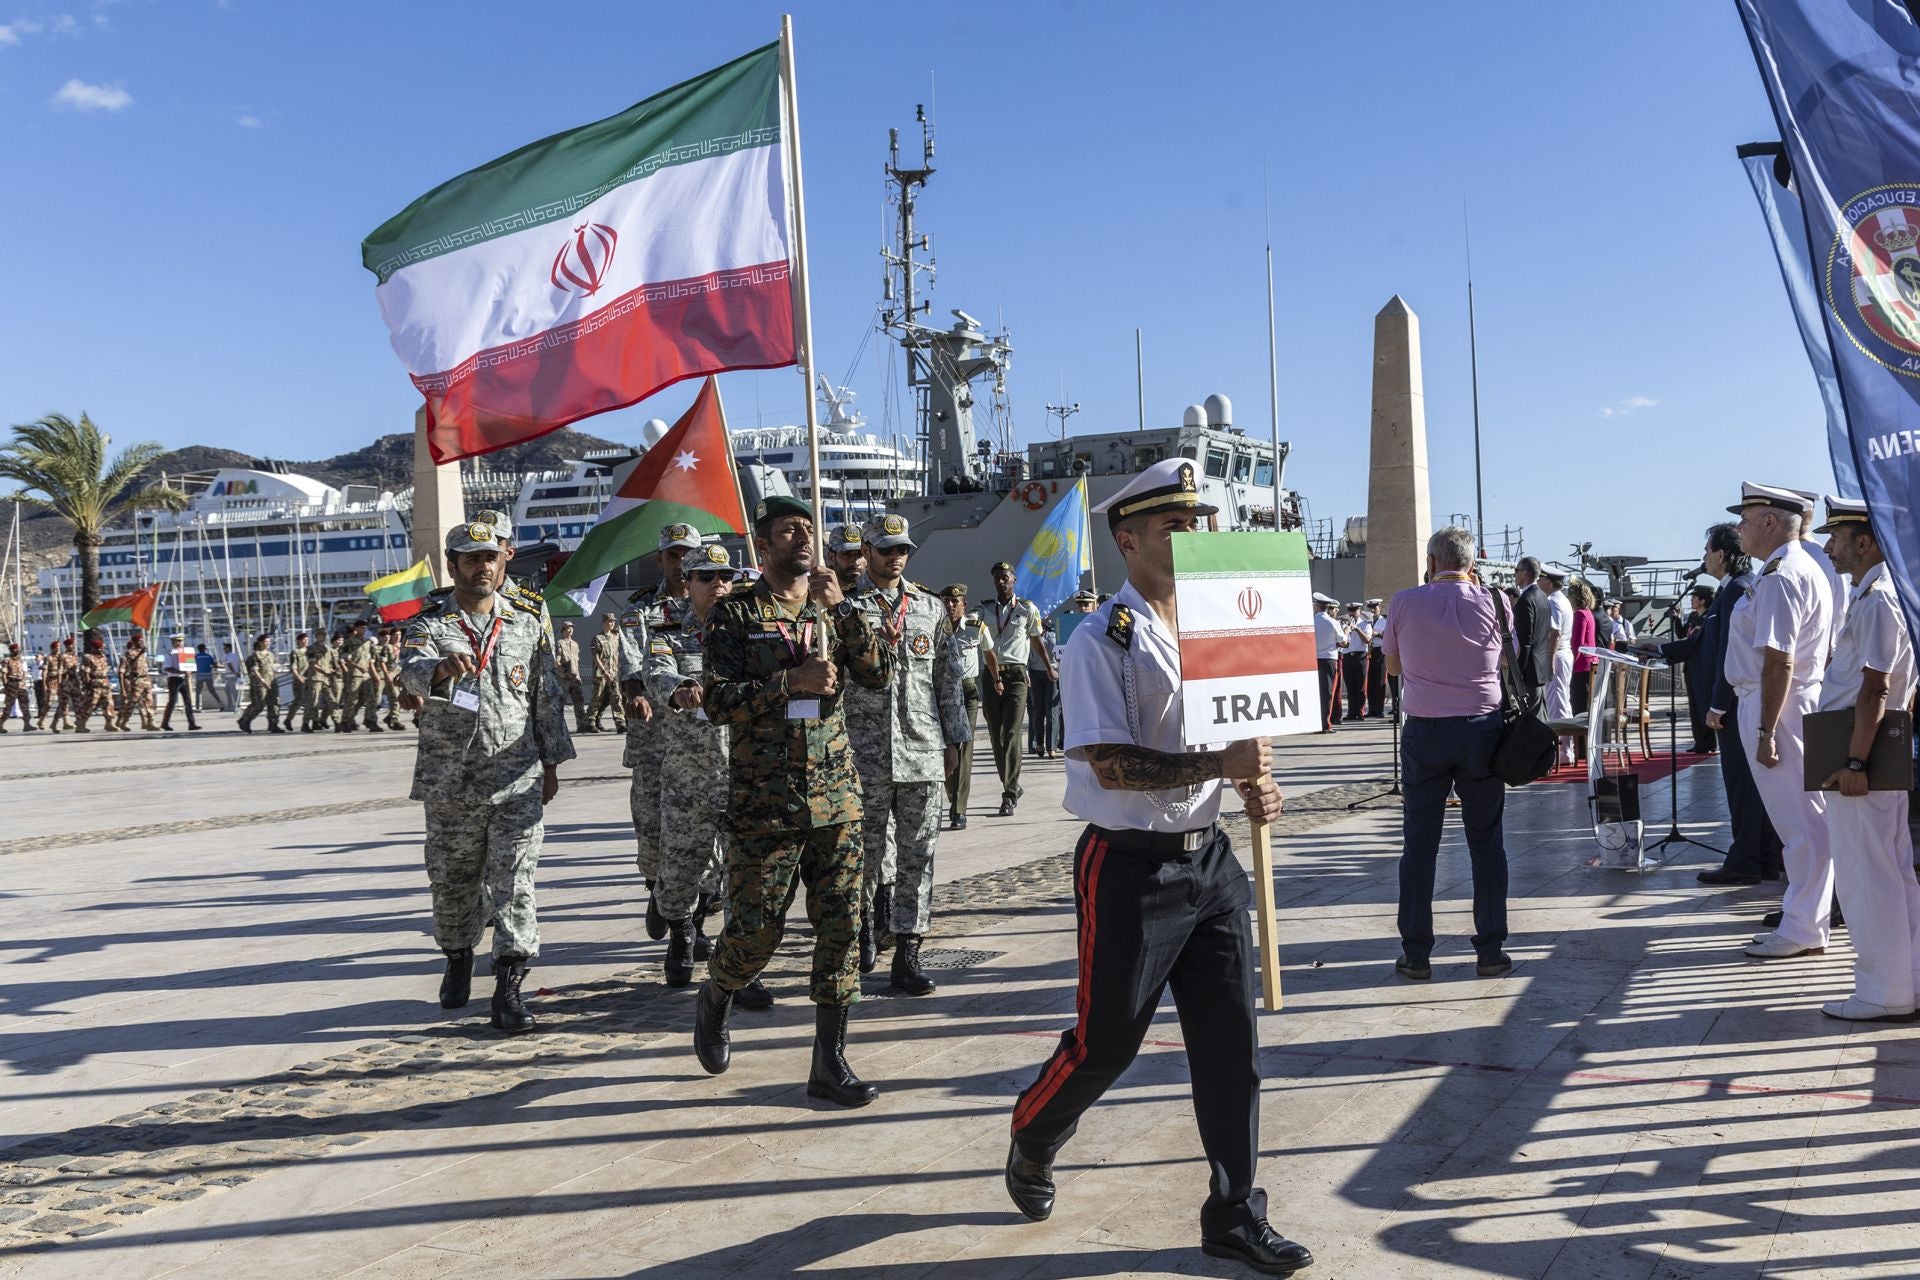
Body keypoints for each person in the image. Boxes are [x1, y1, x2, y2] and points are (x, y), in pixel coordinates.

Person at [1005, 458, 1307, 1275]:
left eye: (1198, 522)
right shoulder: (1099, 638)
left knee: (1231, 1047)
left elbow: (1244, 728)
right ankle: (1035, 1130)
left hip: (1210, 864)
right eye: (1176, 525)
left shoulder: (1220, 626)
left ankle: (1234, 1213)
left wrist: (1255, 779)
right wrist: (1220, 763)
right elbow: (1109, 765)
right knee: (1106, 1046)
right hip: (1129, 869)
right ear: (1128, 540)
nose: (1195, 535)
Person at [691, 495, 891, 1107]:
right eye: (788, 531)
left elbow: (878, 674)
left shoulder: (836, 604)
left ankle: (829, 1063)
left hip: (837, 797)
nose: (803, 538)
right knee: (756, 932)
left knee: (843, 928)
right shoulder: (735, 614)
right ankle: (717, 993)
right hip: (765, 801)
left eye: (809, 529)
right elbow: (716, 701)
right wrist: (788, 682)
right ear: (763, 543)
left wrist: (844, 609)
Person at [397, 510, 575, 1034]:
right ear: (453, 566)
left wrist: (551, 763)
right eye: (471, 559)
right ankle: (457, 956)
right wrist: (438, 670)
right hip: (451, 781)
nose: (483, 568)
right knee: (453, 883)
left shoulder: (526, 622)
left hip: (516, 777)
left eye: (490, 559)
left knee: (515, 881)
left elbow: (545, 697)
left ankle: (509, 987)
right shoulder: (430, 624)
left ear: (502, 563)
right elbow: (410, 671)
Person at [1381, 526, 1514, 983]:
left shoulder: (1403, 601)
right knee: (1487, 841)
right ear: (1472, 564)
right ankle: (1490, 949)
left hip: (1426, 730)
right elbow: (1505, 660)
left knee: (1419, 845)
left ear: (1431, 561)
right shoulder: (1497, 601)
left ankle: (1416, 952)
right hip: (1482, 729)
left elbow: (1393, 666)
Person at [844, 515, 967, 994]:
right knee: (863, 857)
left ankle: (908, 953)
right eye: (886, 549)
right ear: (867, 551)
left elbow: (947, 679)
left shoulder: (929, 607)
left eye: (903, 549)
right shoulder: (844, 607)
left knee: (919, 856)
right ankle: (859, 935)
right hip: (863, 753)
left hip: (922, 749)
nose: (896, 557)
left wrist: (954, 741)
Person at [1808, 497, 1920, 1020]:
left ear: (1866, 542)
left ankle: (1882, 991)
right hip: (1872, 745)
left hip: (1860, 752)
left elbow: (1876, 688)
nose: (1829, 547)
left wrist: (1855, 764)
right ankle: (1906, 980)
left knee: (1865, 875)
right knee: (1891, 872)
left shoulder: (1878, 600)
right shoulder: (1880, 593)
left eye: (1837, 538)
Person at [1718, 483, 1835, 960]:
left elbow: (1779, 660)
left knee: (1800, 824)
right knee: (1805, 820)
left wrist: (1766, 731)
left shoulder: (1782, 576)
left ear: (1770, 521)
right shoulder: (1794, 568)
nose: (1739, 529)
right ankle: (1803, 918)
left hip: (1778, 705)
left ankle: (1804, 927)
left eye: (1745, 520)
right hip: (1787, 700)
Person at [642, 543, 738, 987]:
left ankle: (740, 963)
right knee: (680, 872)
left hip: (742, 772)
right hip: (689, 775)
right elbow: (657, 671)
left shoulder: (748, 627)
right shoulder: (668, 628)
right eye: (707, 577)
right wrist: (680, 686)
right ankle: (681, 931)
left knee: (741, 874)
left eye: (726, 577)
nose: (718, 584)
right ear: (689, 581)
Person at [1665, 523, 1782, 884]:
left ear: (1720, 554)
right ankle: (1764, 858)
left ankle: (1746, 860)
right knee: (1749, 784)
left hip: (1734, 703)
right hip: (1735, 700)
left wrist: (1718, 704)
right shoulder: (1729, 590)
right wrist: (1657, 650)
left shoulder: (1738, 590)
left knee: (1742, 785)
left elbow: (1729, 653)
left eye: (1706, 551)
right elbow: (1706, 643)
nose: (1704, 558)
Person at [619, 522, 696, 940]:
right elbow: (632, 660)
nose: (681, 563)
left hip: (702, 742)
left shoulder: (718, 603)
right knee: (651, 830)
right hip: (654, 739)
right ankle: (656, 887)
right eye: (674, 555)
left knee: (700, 832)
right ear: (660, 559)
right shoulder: (642, 608)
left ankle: (690, 921)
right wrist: (636, 693)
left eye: (688, 554)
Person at [980, 560, 1044, 815]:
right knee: (996, 736)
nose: (1001, 581)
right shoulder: (984, 609)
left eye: (1005, 577)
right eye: (997, 577)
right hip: (991, 674)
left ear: (1014, 580)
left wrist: (1048, 666)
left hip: (1017, 674)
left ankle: (1008, 794)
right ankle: (1012, 785)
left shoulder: (1027, 609)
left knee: (1011, 733)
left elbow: (1035, 639)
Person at [937, 583, 986, 829]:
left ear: (964, 605)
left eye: (955, 601)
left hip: (967, 691)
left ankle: (959, 809)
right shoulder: (935, 627)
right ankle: (951, 795)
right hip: (942, 690)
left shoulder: (975, 628)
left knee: (964, 749)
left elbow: (989, 653)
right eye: (946, 600)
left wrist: (996, 680)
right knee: (946, 747)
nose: (950, 605)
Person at [1540, 565, 1574, 762]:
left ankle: (1563, 752)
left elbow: (1554, 633)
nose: (1538, 583)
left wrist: (1550, 661)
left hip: (1557, 655)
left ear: (1548, 581)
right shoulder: (1563, 600)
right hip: (1563, 654)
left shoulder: (1553, 602)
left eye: (1541, 579)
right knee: (1562, 700)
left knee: (1556, 704)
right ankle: (1566, 750)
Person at [1511, 558, 1554, 707]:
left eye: (1516, 571)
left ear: (1524, 573)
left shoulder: (1526, 600)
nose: (1515, 575)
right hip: (1540, 667)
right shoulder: (1543, 596)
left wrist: (1517, 671)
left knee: (1529, 715)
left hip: (1528, 670)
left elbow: (1524, 641)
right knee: (1539, 712)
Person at [1027, 617, 1060, 758]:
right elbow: (1024, 656)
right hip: (1035, 675)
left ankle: (1051, 746)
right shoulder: (1027, 636)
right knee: (1037, 710)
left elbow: (1061, 653)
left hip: (1052, 674)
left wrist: (1056, 668)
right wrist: (1026, 673)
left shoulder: (1054, 634)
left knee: (1052, 710)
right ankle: (1039, 743)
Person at [237, 632, 284, 734]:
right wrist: (262, 681)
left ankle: (273, 724)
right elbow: (255, 670)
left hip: (271, 681)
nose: (268, 643)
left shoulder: (270, 655)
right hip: (260, 684)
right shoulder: (256, 655)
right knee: (259, 705)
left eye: (269, 641)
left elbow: (271, 668)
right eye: (266, 641)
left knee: (274, 703)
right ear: (260, 643)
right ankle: (245, 720)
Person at [71, 635, 116, 732]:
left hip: (104, 684)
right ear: (94, 648)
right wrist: (86, 684)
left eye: (102, 648)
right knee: (90, 705)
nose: (101, 650)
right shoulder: (88, 658)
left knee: (109, 704)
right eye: (100, 648)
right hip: (94, 685)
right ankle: (81, 724)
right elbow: (85, 672)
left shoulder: (103, 657)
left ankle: (110, 723)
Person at [1312, 591, 1342, 732]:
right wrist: (1347, 631)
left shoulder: (1311, 622)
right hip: (1329, 659)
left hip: (1313, 660)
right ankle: (1325, 724)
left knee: (1316, 692)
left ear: (1317, 606)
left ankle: (1315, 722)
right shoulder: (1333, 622)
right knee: (1328, 693)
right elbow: (1343, 641)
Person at [553, 621, 590, 733]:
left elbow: (576, 661)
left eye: (571, 628)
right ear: (563, 630)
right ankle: (557, 727)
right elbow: (557, 662)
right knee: (560, 703)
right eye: (568, 628)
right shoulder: (560, 643)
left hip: (575, 678)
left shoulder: (575, 644)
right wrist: (564, 672)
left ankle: (582, 726)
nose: (570, 630)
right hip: (564, 679)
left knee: (579, 703)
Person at [1569, 582, 1598, 719]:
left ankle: (1579, 731)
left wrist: (1571, 665)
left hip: (1581, 665)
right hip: (1590, 662)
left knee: (1578, 703)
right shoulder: (1588, 613)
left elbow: (1577, 644)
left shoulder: (1580, 615)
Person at [159, 633, 201, 731]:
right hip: (174, 679)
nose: (179, 643)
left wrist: (190, 671)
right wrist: (181, 672)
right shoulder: (170, 653)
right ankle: (165, 723)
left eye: (181, 641)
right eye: (177, 641)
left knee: (188, 701)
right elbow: (167, 668)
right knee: (172, 702)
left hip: (184, 679)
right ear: (173, 642)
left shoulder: (186, 652)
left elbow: (190, 665)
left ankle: (192, 723)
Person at [1341, 601, 1371, 722]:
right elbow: (1341, 640)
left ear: (1359, 611)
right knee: (1350, 686)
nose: (1352, 613)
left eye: (1355, 611)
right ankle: (1351, 713)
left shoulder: (1365, 624)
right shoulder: (1343, 625)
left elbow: (1367, 640)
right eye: (1350, 611)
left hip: (1360, 656)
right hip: (1347, 656)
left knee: (1360, 686)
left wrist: (1357, 629)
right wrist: (1347, 629)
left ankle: (1359, 712)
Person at [1366, 597, 1389, 717]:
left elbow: (1388, 636)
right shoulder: (1366, 621)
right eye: (1370, 608)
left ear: (1379, 607)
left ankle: (1379, 710)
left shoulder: (1384, 621)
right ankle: (1371, 710)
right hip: (1368, 651)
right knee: (1370, 682)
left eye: (1374, 607)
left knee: (1380, 681)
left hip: (1380, 651)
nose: (1372, 610)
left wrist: (1378, 634)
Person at [0, 643, 31, 731]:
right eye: (15, 649)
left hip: (21, 684)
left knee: (25, 704)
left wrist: (24, 681)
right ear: (11, 650)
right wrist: (6, 686)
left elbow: (24, 672)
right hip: (11, 684)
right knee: (9, 706)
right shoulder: (7, 660)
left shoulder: (21, 660)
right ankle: (1, 725)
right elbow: (4, 674)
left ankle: (27, 724)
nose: (17, 650)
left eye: (18, 649)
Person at [194, 644, 219, 711]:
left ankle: (197, 707)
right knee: (212, 691)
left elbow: (192, 665)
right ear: (204, 649)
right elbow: (215, 664)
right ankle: (220, 703)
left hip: (199, 676)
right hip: (208, 675)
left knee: (198, 692)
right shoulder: (209, 656)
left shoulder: (196, 656)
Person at [221, 642, 242, 714]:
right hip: (233, 675)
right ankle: (231, 704)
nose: (224, 649)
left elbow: (229, 664)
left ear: (228, 648)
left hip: (230, 675)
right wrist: (237, 672)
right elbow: (238, 665)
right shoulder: (234, 655)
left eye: (225, 648)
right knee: (227, 690)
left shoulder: (227, 656)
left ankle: (236, 705)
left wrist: (234, 672)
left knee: (233, 691)